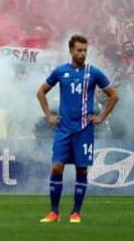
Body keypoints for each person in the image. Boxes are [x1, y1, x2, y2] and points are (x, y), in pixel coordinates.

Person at [36, 35, 119, 224]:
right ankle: (54, 213)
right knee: (57, 167)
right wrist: (49, 115)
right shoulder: (60, 71)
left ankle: (75, 212)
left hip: (84, 129)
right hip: (63, 128)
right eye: (79, 50)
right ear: (71, 51)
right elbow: (41, 92)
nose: (82, 54)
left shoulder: (93, 73)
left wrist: (101, 116)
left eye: (84, 50)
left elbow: (114, 95)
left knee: (82, 170)